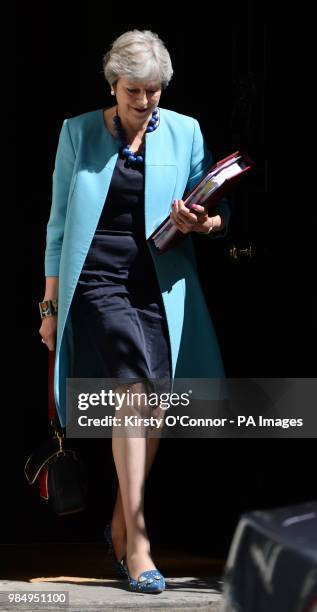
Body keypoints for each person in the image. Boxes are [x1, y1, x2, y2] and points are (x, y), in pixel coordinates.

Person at [39, 29, 230, 594]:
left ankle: (120, 523)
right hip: (96, 279)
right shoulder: (77, 132)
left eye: (153, 92)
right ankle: (139, 541)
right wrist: (50, 305)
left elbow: (217, 210)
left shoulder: (186, 132)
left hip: (160, 282)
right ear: (112, 84)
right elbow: (55, 226)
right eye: (133, 92)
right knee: (131, 387)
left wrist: (206, 223)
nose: (144, 103)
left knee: (160, 397)